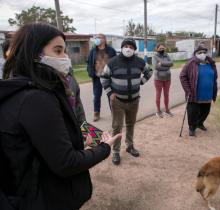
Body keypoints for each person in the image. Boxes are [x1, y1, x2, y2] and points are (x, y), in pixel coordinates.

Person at [0, 23, 121, 210]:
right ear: (34, 53)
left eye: (65, 51)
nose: (65, 57)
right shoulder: (37, 98)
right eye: (58, 51)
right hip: (43, 199)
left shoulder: (27, 89)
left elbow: (40, 145)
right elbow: (67, 163)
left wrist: (73, 139)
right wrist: (105, 147)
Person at [100, 38, 153, 165]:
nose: (128, 48)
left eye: (131, 46)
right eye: (126, 46)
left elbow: (149, 71)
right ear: (122, 47)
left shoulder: (139, 61)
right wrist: (110, 92)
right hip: (118, 101)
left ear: (134, 49)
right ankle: (116, 151)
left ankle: (130, 146)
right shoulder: (113, 62)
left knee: (131, 124)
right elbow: (104, 77)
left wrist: (141, 82)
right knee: (117, 126)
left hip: (134, 100)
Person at [179, 45, 218, 137]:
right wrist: (188, 90)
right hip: (194, 93)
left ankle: (199, 123)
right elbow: (182, 76)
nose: (202, 54)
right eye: (199, 53)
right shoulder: (190, 63)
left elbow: (215, 77)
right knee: (193, 112)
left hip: (207, 93)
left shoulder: (211, 62)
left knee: (205, 111)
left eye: (204, 52)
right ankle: (192, 128)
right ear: (195, 54)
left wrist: (214, 90)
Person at [86, 34, 116, 122]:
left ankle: (114, 113)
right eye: (96, 38)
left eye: (99, 37)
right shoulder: (93, 51)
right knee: (96, 96)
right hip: (97, 78)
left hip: (108, 78)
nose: (96, 39)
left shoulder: (111, 50)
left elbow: (115, 62)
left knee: (110, 96)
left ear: (104, 39)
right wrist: (90, 72)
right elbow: (88, 62)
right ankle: (96, 113)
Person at [152, 43, 174, 118]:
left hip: (168, 78)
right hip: (158, 78)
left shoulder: (167, 55)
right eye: (160, 48)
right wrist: (167, 66)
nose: (162, 49)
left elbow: (171, 63)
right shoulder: (154, 57)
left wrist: (162, 64)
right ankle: (158, 111)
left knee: (166, 94)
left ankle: (167, 110)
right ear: (157, 49)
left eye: (163, 48)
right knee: (158, 95)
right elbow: (156, 66)